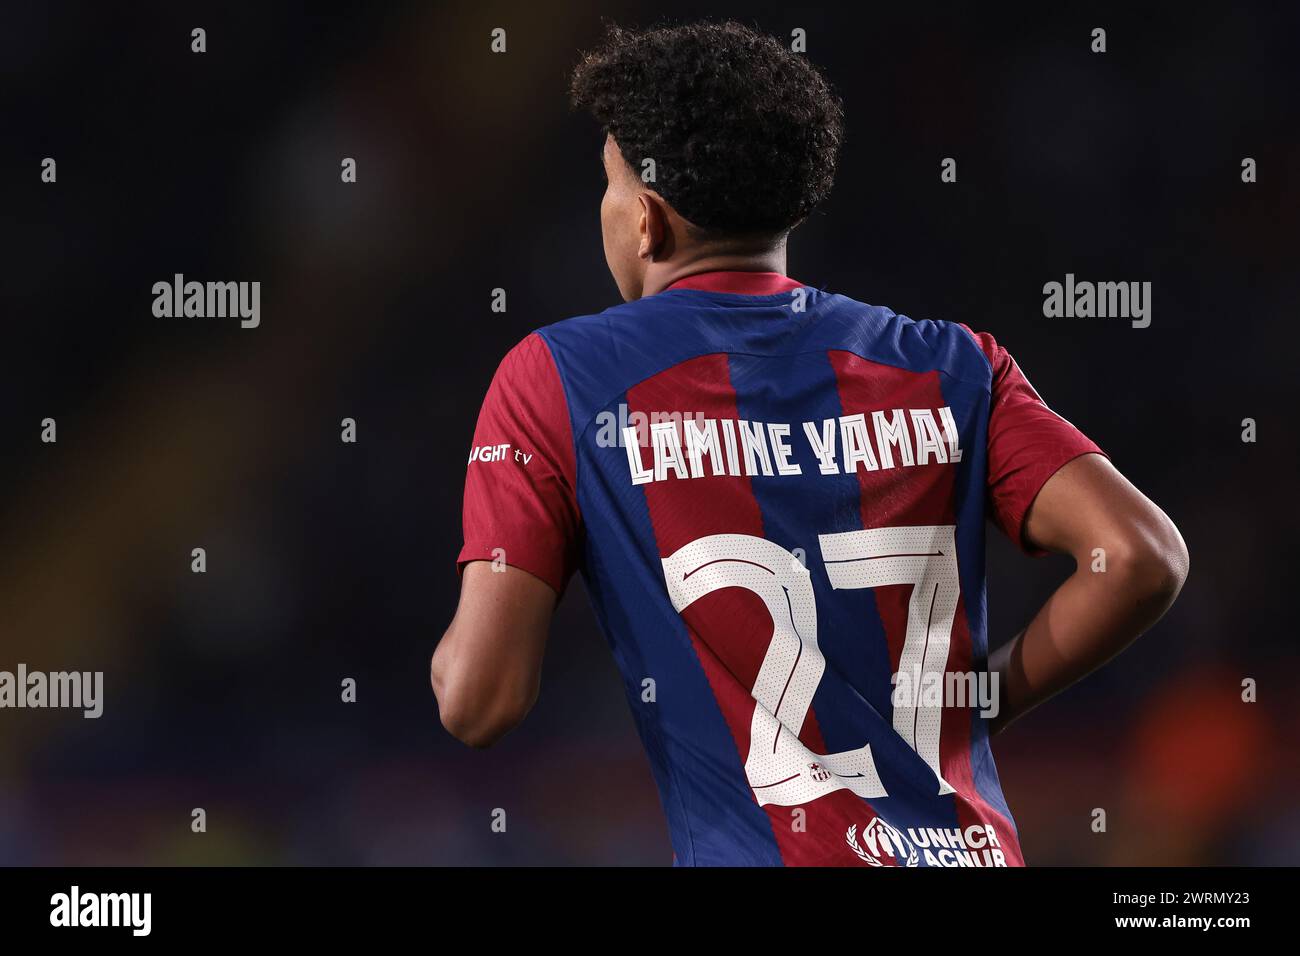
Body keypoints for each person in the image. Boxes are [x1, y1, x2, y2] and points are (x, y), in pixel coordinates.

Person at [432, 21, 1188, 866]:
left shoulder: (559, 377)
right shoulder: (951, 363)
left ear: (645, 220)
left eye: (608, 185)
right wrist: (976, 702)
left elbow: (480, 700)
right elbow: (1139, 556)